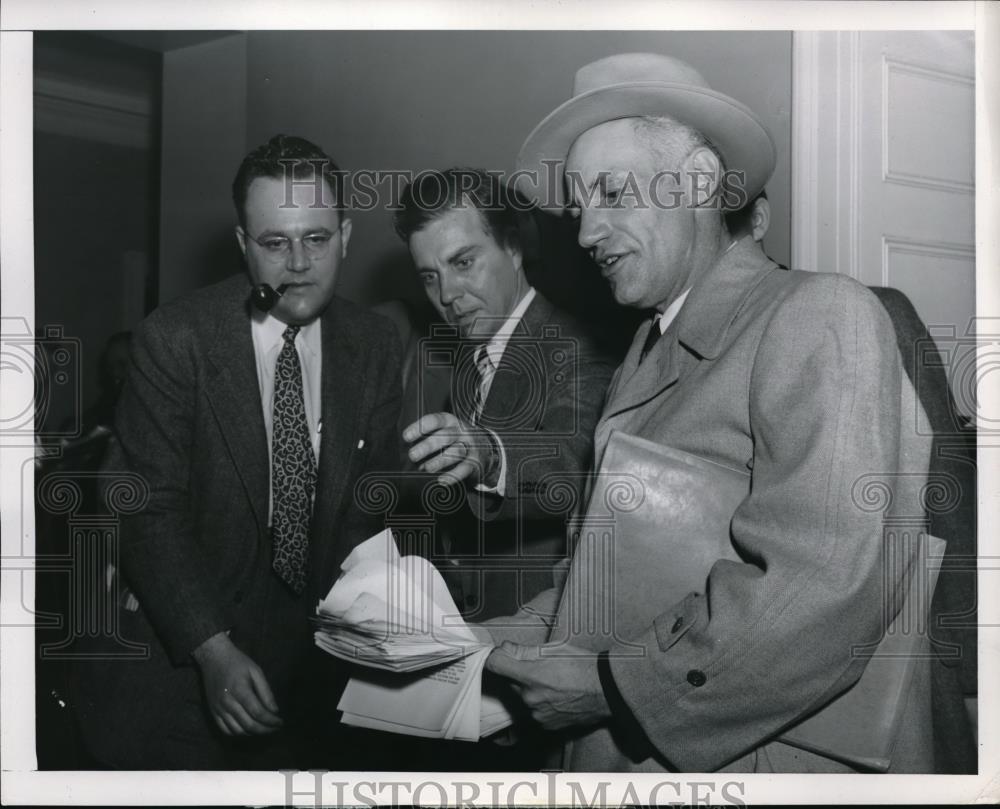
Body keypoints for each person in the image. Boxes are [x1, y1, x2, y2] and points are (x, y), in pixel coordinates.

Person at [481, 52, 946, 773]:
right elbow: (628, 569)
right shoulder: (647, 346)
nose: (586, 232)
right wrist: (483, 644)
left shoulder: (819, 313)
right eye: (579, 206)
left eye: (612, 192)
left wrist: (613, 686)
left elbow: (821, 583)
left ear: (700, 182)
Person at [71, 134, 402, 769]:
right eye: (275, 242)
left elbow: (369, 506)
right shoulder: (177, 338)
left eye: (318, 239)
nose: (299, 263)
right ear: (243, 244)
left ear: (347, 235)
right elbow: (145, 509)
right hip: (176, 676)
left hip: (310, 685)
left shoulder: (377, 344)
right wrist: (212, 649)